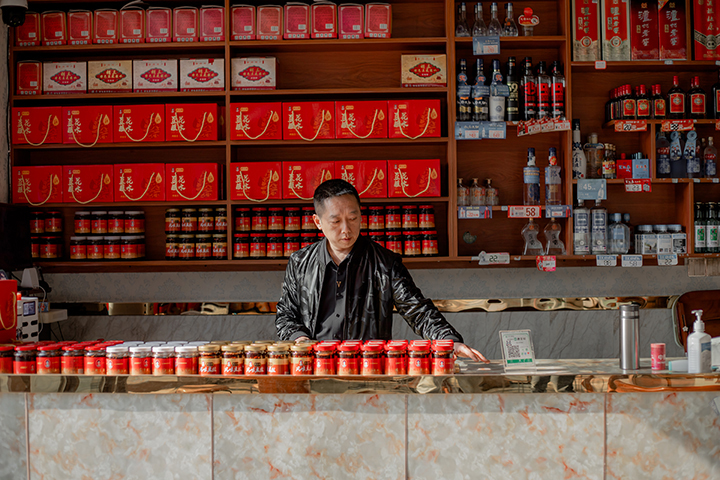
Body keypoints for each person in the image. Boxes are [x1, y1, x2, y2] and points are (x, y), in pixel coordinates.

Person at [275, 179, 488, 362]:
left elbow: (417, 309)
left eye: (353, 218)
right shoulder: (300, 262)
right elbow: (286, 314)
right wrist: (300, 340)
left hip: (368, 365)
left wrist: (449, 341)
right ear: (317, 222)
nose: (346, 229)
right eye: (336, 221)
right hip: (314, 365)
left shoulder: (384, 263)